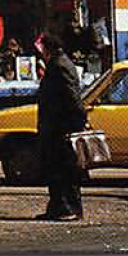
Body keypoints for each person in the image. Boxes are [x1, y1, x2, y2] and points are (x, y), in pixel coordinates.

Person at [35, 30, 87, 221]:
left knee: (64, 170)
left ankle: (68, 208)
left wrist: (77, 121)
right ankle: (58, 207)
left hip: (60, 128)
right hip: (56, 127)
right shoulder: (58, 63)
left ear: (48, 49)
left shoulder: (59, 65)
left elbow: (71, 97)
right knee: (57, 170)